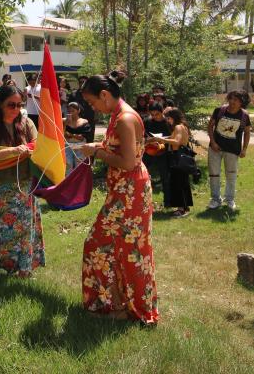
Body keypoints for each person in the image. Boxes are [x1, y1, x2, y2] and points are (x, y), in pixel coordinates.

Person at [77, 73, 158, 325]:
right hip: (125, 190)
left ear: (104, 95)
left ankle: (124, 307)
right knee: (121, 248)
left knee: (107, 246)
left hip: (130, 191)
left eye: (92, 102)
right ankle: (121, 305)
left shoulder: (124, 118)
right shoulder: (117, 115)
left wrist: (97, 152)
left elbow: (127, 162)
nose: (93, 108)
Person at [0, 84, 44, 276]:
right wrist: (13, 151)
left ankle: (23, 268)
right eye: (10, 105)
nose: (16, 109)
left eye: (19, 105)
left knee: (22, 229)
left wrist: (32, 149)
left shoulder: (27, 123)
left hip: (23, 184)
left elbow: (37, 147)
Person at [206, 91, 251, 211]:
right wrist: (213, 142)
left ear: (241, 102)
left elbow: (247, 132)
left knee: (231, 175)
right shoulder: (219, 111)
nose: (232, 102)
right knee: (214, 174)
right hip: (215, 148)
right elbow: (210, 126)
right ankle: (215, 199)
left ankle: (230, 199)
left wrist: (244, 149)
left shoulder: (244, 116)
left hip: (233, 150)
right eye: (231, 98)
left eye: (235, 100)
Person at [156, 107, 193, 217]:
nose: (167, 121)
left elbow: (176, 141)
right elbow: (176, 138)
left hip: (178, 156)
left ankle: (181, 209)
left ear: (172, 117)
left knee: (178, 183)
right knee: (182, 182)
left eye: (168, 118)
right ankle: (184, 207)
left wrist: (162, 140)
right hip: (182, 155)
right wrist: (161, 138)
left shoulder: (177, 127)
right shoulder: (182, 126)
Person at [141, 103, 171, 192]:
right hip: (149, 150)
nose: (154, 117)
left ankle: (167, 194)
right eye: (152, 114)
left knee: (164, 173)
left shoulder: (168, 122)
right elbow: (142, 135)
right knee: (142, 170)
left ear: (162, 112)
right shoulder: (147, 121)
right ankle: (142, 189)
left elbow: (174, 136)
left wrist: (162, 141)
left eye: (157, 114)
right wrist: (149, 140)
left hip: (163, 151)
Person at [63, 102, 92, 174]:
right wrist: (65, 124)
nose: (70, 113)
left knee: (79, 163)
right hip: (68, 145)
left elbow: (82, 137)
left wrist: (71, 135)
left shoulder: (83, 122)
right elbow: (62, 135)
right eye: (69, 111)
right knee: (68, 163)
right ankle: (68, 181)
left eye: (73, 111)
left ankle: (79, 181)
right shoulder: (64, 121)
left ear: (78, 111)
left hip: (80, 145)